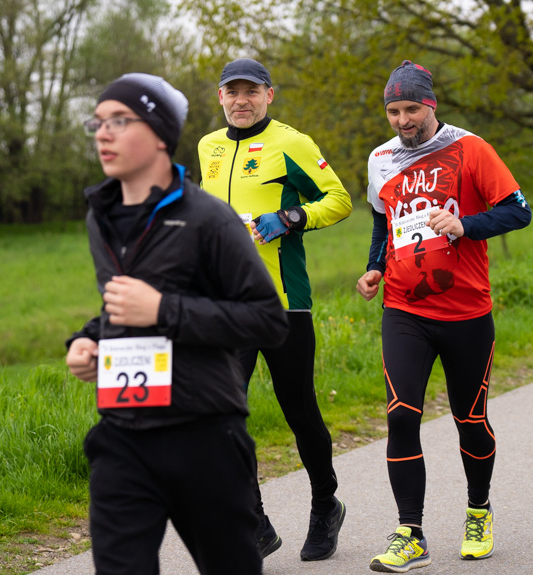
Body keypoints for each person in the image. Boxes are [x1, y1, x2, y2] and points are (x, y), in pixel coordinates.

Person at [66, 73, 288, 575]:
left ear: (161, 134)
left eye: (119, 121)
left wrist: (164, 311)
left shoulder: (209, 219)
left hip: (203, 434)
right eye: (97, 123)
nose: (103, 134)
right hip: (122, 432)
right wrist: (88, 338)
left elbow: (268, 320)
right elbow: (125, 305)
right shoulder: (100, 217)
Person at [357, 60, 532, 573]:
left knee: (469, 419)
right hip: (404, 309)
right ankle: (410, 533)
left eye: (412, 108)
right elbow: (381, 223)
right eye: (394, 110)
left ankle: (478, 509)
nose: (403, 119)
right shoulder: (381, 158)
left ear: (431, 106)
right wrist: (373, 269)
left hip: (467, 312)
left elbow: (518, 210)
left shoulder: (470, 147)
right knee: (400, 414)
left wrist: (465, 224)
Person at [197, 58, 352, 562]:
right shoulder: (209, 147)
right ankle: (255, 523)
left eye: (251, 92)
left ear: (269, 95)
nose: (241, 100)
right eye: (231, 92)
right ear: (220, 96)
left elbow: (340, 199)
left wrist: (291, 216)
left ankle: (326, 504)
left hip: (284, 303)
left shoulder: (292, 143)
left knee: (299, 412)